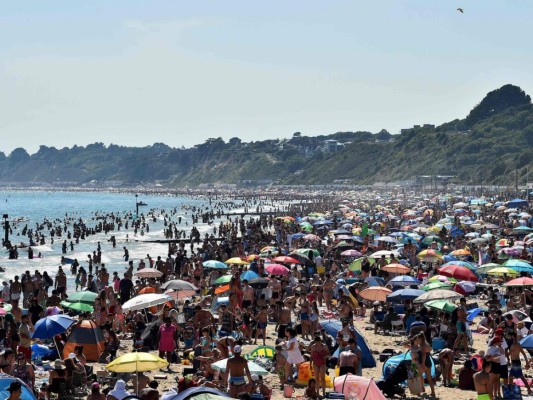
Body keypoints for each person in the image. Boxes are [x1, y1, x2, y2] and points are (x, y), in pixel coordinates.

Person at [410, 333, 435, 398]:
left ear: (421, 338)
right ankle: (433, 392)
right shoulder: (426, 344)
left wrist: (423, 364)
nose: (417, 340)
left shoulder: (422, 345)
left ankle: (420, 390)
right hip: (429, 362)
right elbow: (430, 350)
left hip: (424, 363)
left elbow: (424, 355)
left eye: (418, 338)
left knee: (418, 376)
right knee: (429, 378)